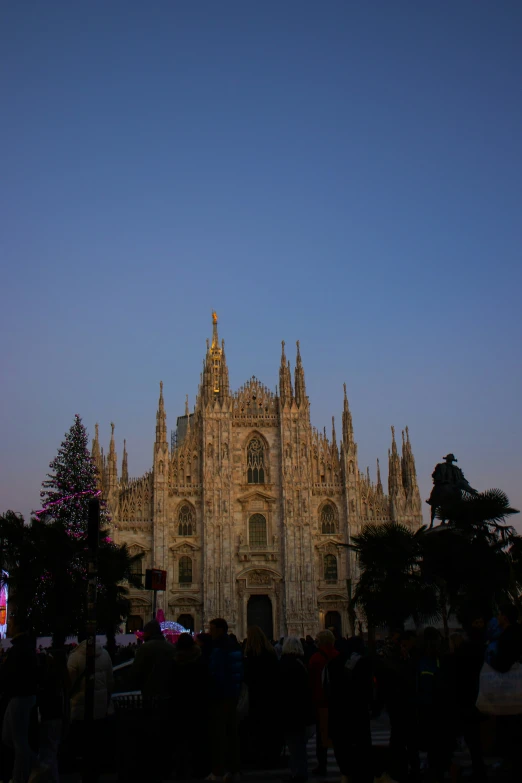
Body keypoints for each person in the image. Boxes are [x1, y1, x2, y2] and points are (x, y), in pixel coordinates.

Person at [67, 630, 114, 783]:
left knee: (82, 746)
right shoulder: (105, 655)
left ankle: (84, 774)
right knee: (96, 745)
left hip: (80, 709)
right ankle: (95, 774)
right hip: (99, 709)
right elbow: (110, 682)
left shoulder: (74, 657)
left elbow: (68, 684)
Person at [0, 620, 38, 783]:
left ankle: (20, 775)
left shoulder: (18, 651)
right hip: (21, 696)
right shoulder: (26, 649)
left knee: (17, 740)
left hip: (18, 696)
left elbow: (9, 674)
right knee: (12, 737)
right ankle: (24, 770)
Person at [487, 603, 522, 782]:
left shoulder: (506, 637)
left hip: (510, 691)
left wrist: (492, 661)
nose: (498, 618)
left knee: (510, 729)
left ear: (505, 617)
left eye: (500, 614)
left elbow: (502, 664)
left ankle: (511, 764)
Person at [207, 618, 243, 783]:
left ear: (220, 630)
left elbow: (216, 673)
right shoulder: (234, 647)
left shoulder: (219, 648)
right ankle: (233, 770)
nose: (209, 632)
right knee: (232, 734)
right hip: (232, 695)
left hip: (221, 697)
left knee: (219, 735)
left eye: (212, 629)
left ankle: (219, 771)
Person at [169, 633, 209, 779]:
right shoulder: (200, 661)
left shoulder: (174, 662)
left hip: (179, 706)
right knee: (196, 739)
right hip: (197, 706)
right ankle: (198, 769)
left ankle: (180, 769)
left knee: (180, 740)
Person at [242, 626, 281, 767]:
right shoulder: (271, 654)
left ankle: (258, 753)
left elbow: (247, 676)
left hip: (255, 697)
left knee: (257, 725)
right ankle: (271, 754)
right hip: (269, 697)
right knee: (268, 725)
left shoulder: (250, 655)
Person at [279, 636, 314, 783]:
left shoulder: (286, 664)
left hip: (291, 712)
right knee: (298, 745)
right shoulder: (301, 663)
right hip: (300, 711)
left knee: (295, 745)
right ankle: (298, 772)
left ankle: (299, 774)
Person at [308, 630, 339, 776]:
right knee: (338, 733)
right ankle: (343, 763)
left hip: (321, 703)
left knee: (322, 735)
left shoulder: (315, 658)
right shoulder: (339, 656)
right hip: (337, 702)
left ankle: (322, 764)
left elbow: (311, 681)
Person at [128, 619, 176, 697]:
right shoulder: (172, 648)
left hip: (151, 693)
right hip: (169, 693)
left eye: (145, 632)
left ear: (149, 632)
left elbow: (135, 673)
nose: (143, 635)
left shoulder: (145, 648)